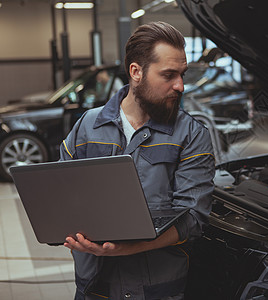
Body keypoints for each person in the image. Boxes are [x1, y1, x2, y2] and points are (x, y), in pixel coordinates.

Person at [60, 21, 215, 300]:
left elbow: (192, 219)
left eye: (182, 74)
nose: (180, 85)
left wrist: (126, 248)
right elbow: (61, 198)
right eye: (168, 75)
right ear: (136, 72)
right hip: (94, 287)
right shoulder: (86, 127)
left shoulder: (191, 134)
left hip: (157, 289)